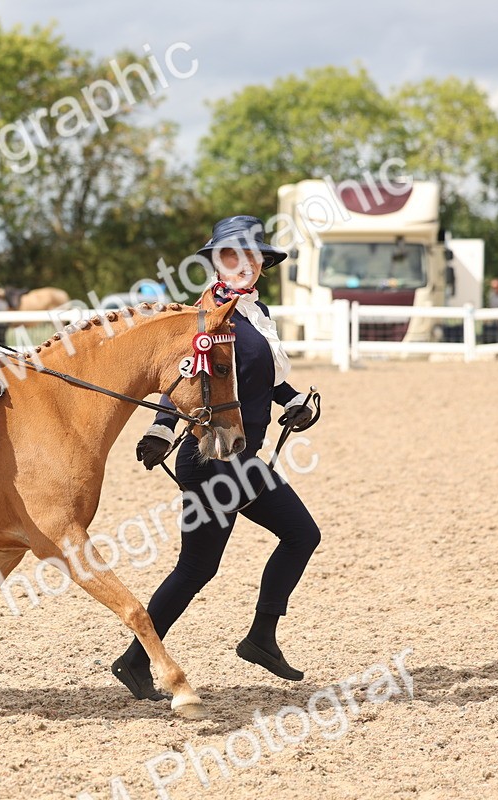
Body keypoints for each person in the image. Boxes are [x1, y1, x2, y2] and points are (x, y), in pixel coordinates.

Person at [110, 215, 322, 700]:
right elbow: (185, 378)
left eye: (251, 255)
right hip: (213, 459)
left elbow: (260, 378)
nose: (242, 264)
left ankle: (138, 660)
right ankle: (258, 637)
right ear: (216, 262)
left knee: (198, 568)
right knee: (296, 535)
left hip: (238, 457)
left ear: (262, 262)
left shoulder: (253, 311)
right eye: (231, 255)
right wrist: (161, 429)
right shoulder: (207, 316)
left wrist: (293, 401)